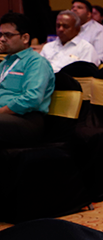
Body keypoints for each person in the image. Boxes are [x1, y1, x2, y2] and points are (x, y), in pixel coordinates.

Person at [0, 12, 55, 149]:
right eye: (0, 35)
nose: (2, 39)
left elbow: (32, 98)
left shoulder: (36, 62)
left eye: (8, 35)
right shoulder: (4, 63)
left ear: (25, 38)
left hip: (26, 120)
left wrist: (1, 111)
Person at [71, 0, 103, 65]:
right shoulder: (70, 31)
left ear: (89, 14)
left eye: (79, 7)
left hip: (95, 72)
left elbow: (98, 61)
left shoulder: (100, 32)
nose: (74, 9)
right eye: (72, 7)